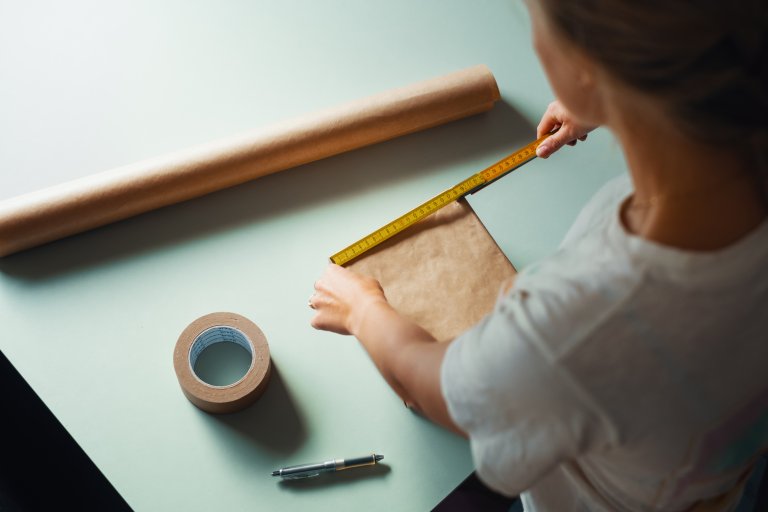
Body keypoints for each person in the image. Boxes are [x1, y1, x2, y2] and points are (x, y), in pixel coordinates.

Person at [308, 0, 768, 510]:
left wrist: (363, 310)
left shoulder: (578, 328)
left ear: (587, 67)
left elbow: (429, 384)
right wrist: (620, 106)